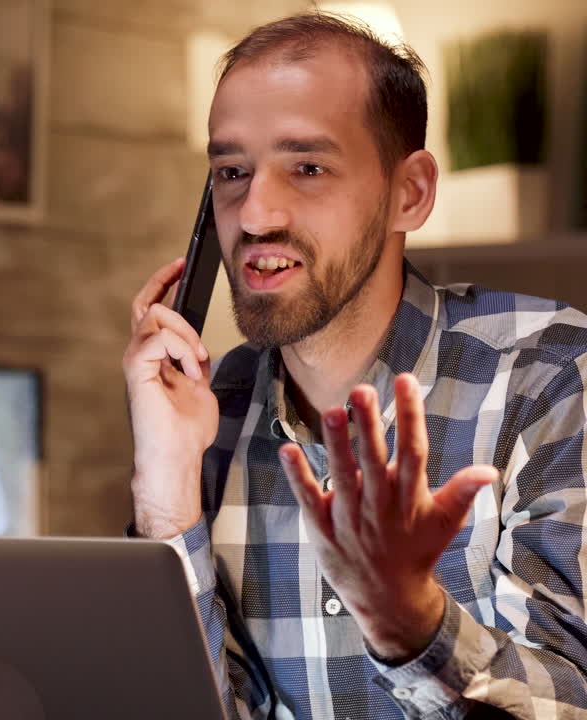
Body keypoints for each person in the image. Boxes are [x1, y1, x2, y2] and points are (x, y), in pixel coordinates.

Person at [124, 12, 587, 719]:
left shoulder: (549, 374)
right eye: (231, 171)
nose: (253, 215)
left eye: (307, 167)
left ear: (411, 193)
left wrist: (413, 624)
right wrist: (165, 498)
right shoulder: (207, 418)